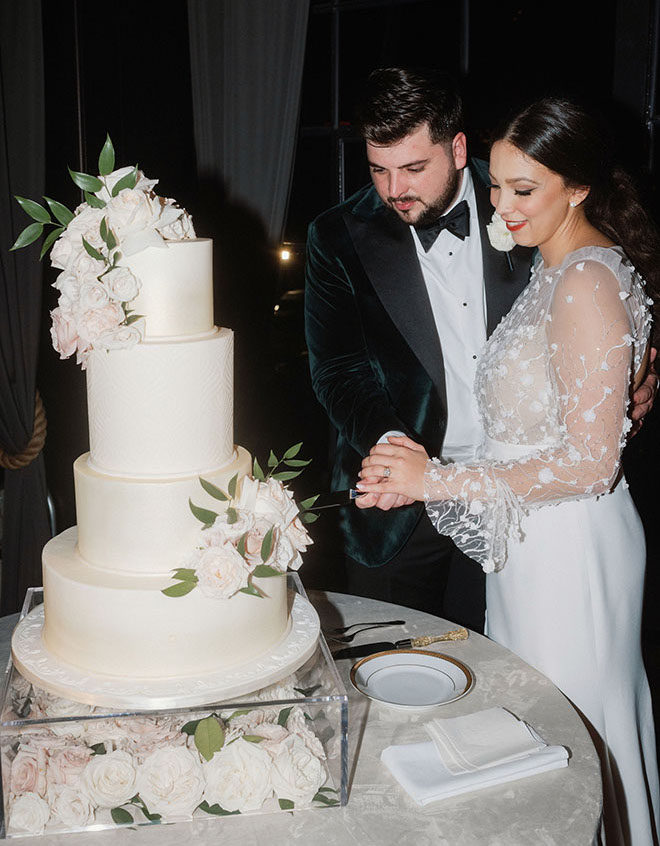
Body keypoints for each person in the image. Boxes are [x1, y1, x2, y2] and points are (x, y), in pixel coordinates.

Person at [357, 97, 659, 844]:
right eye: (495, 185)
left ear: (578, 186)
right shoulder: (553, 266)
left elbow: (590, 465)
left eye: (525, 189)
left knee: (575, 745)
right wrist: (419, 473)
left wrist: (436, 481)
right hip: (534, 545)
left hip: (572, 554)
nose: (502, 205)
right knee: (543, 739)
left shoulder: (585, 279)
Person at [304, 67, 655, 632]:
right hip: (402, 512)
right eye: (379, 170)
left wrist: (630, 383)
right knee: (391, 671)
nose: (395, 190)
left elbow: (610, 287)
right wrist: (395, 451)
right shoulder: (336, 236)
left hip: (525, 508)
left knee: (501, 680)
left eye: (415, 168)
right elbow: (338, 371)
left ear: (459, 147)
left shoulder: (529, 192)